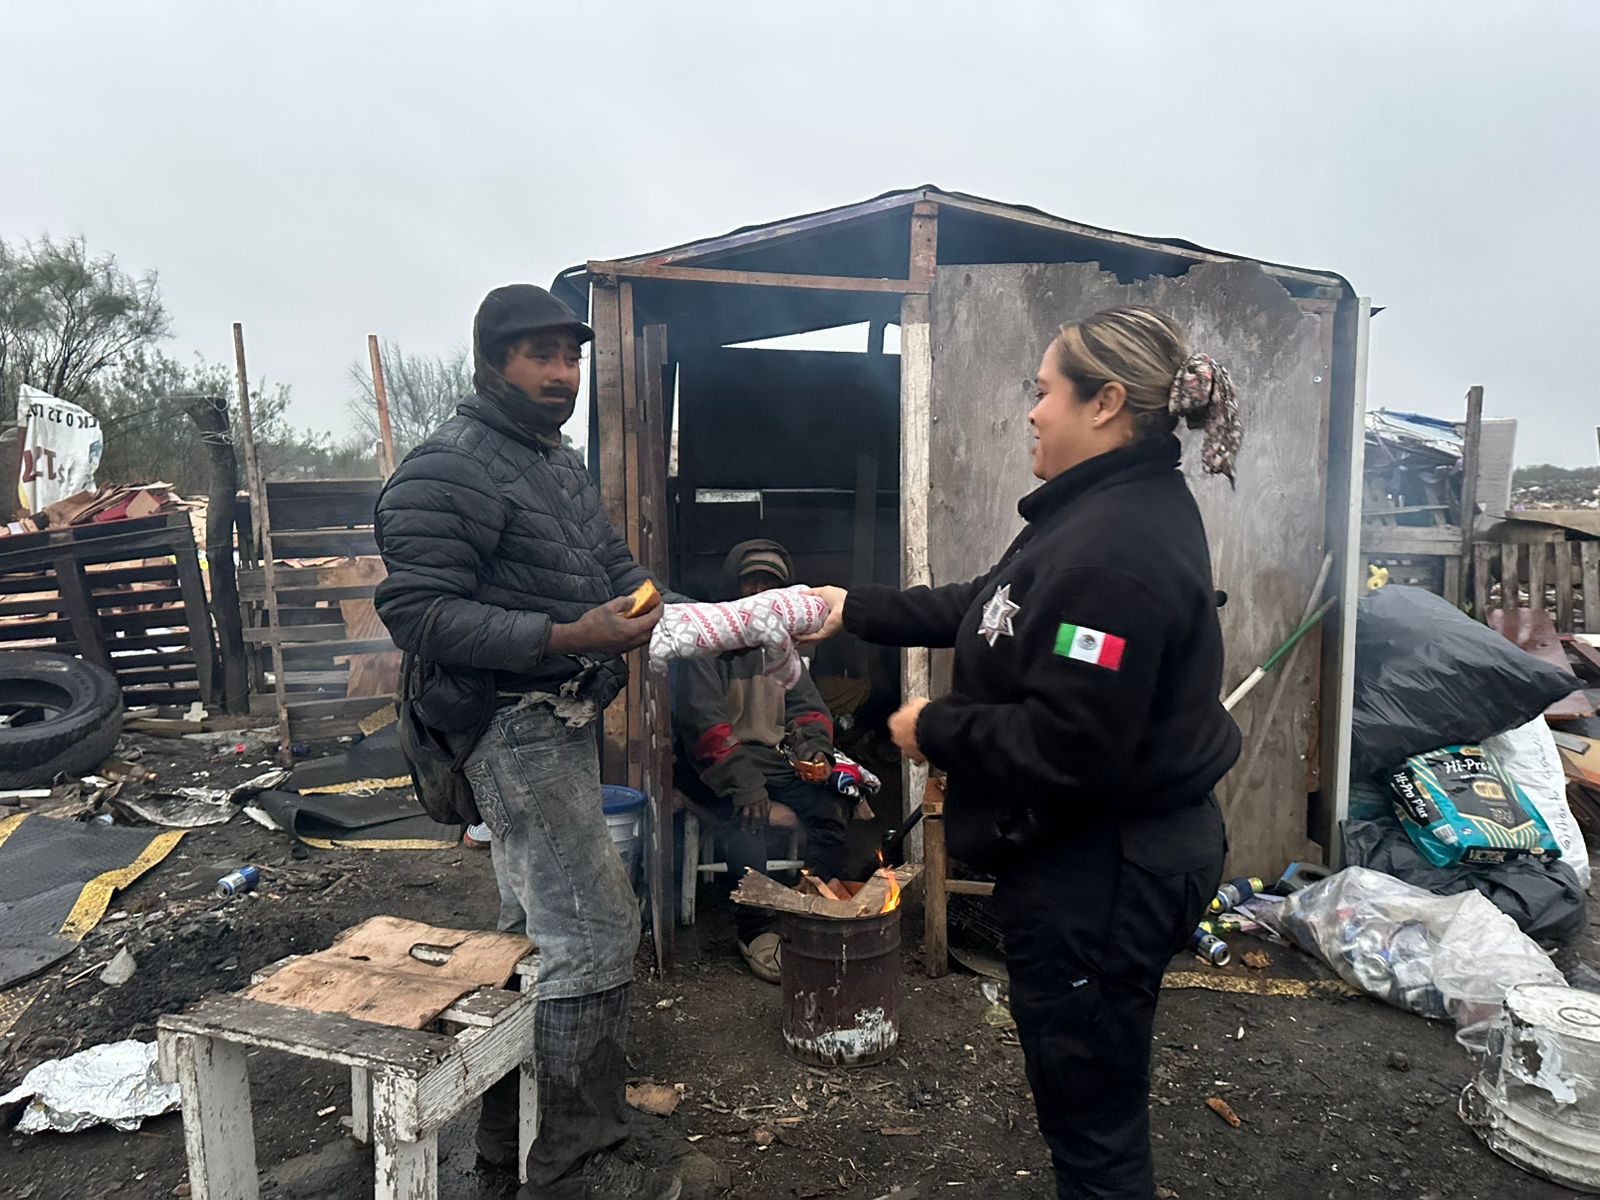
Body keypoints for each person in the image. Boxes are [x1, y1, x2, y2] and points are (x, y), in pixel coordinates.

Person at [807, 307, 1242, 1199]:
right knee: (1085, 1093)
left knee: (1093, 1124)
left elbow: (1071, 742)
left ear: (1106, 403)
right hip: (1095, 857)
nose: (1033, 412)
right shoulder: (1094, 513)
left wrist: (932, 729)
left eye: (1044, 392)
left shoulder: (1113, 554)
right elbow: (992, 607)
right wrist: (854, 607)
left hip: (1103, 872)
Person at [374, 284, 681, 1200]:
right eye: (541, 355)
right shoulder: (449, 468)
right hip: (511, 723)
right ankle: (576, 1167)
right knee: (592, 928)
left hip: (561, 718)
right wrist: (571, 635)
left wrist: (669, 605)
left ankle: (509, 1142)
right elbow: (418, 614)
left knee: (531, 933)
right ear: (492, 362)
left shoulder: (553, 462)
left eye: (572, 356)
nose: (563, 374)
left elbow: (612, 567)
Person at [673, 539, 849, 981]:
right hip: (713, 765)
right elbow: (705, 728)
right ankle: (756, 930)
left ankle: (812, 909)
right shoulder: (707, 639)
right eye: (749, 581)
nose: (758, 592)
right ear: (731, 585)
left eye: (769, 584)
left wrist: (815, 751)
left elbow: (809, 710)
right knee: (748, 819)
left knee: (832, 807)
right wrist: (747, 788)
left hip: (769, 761)